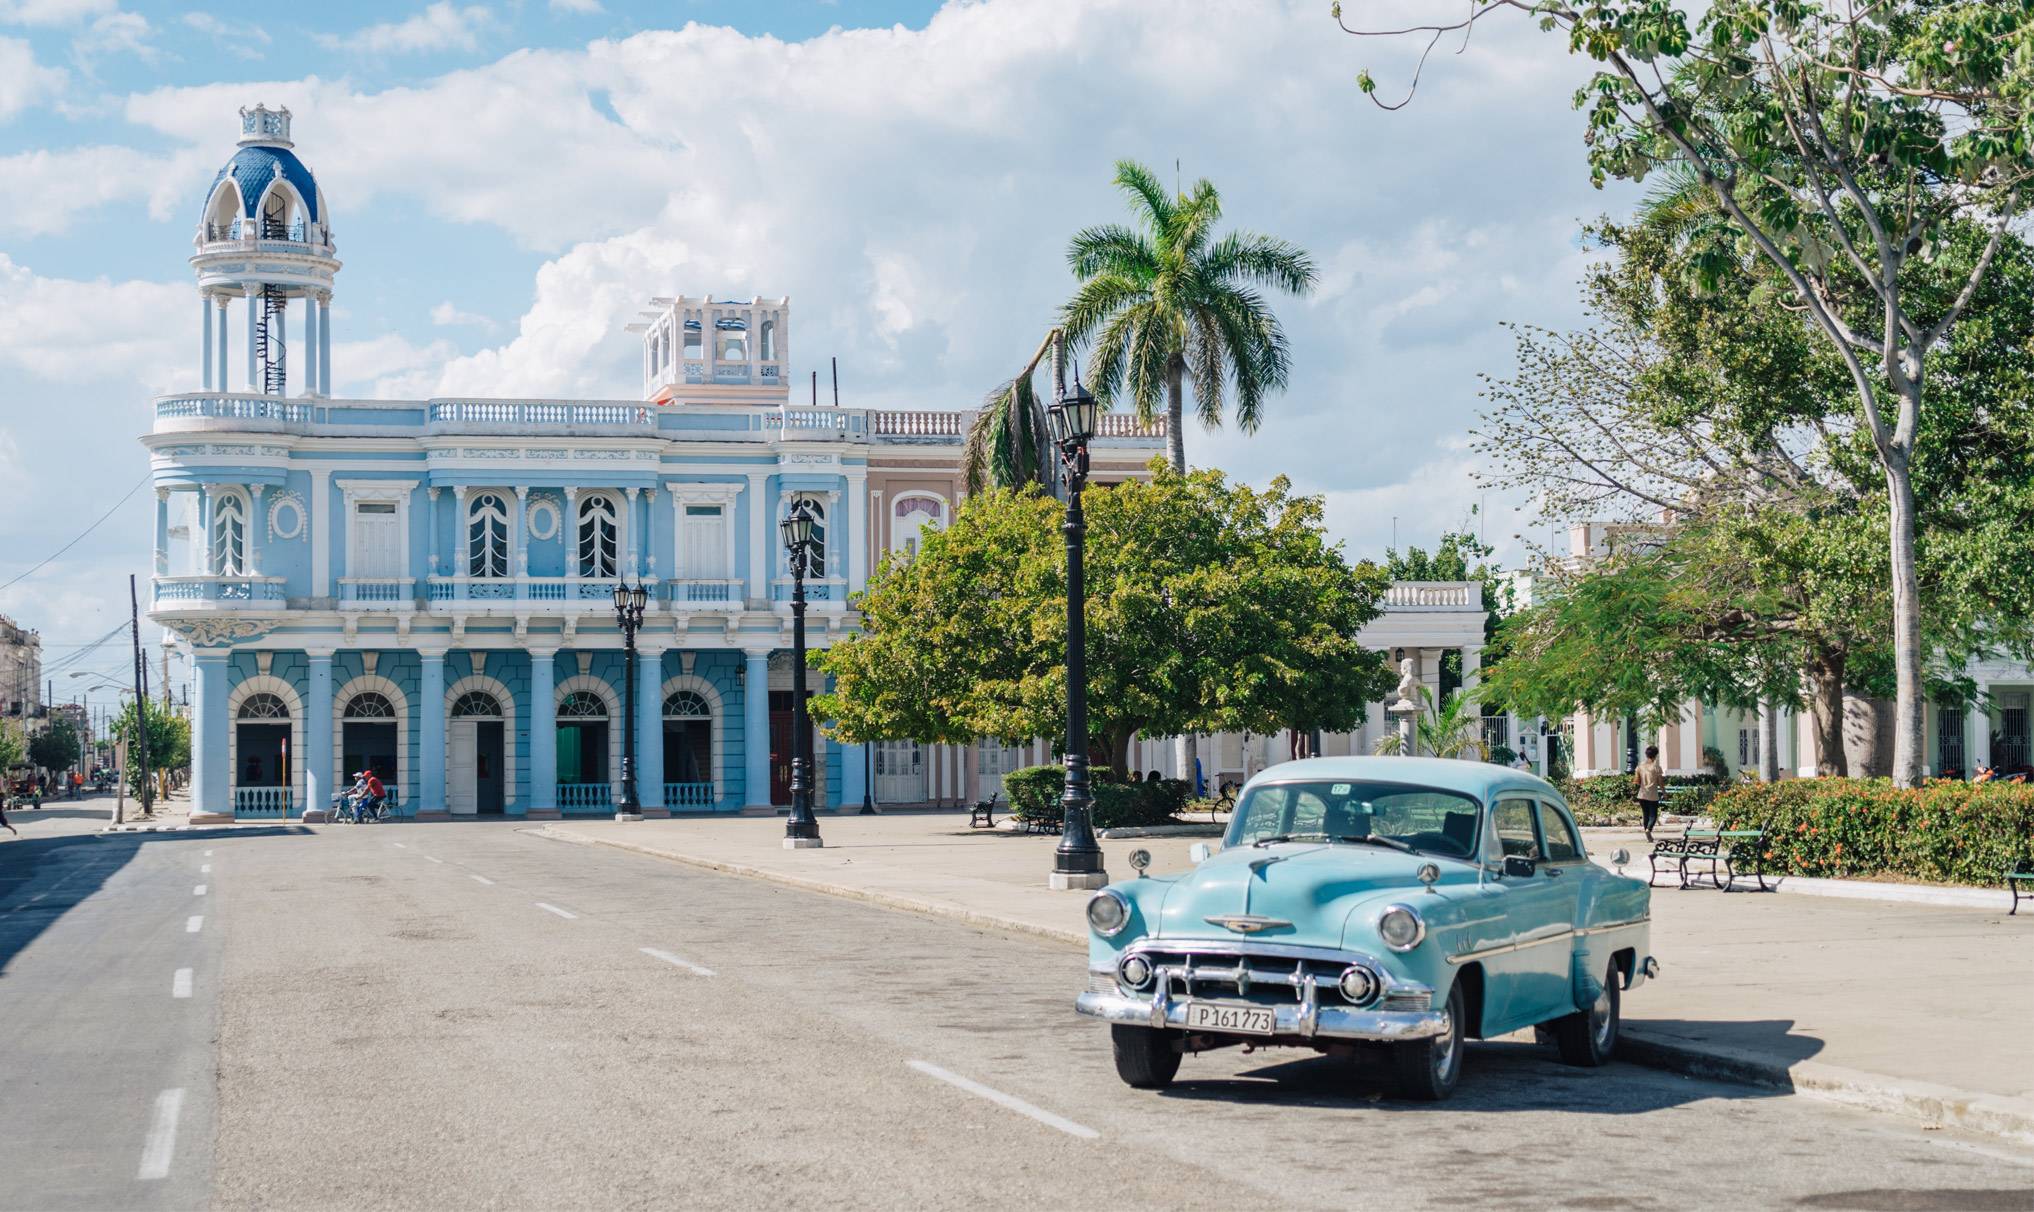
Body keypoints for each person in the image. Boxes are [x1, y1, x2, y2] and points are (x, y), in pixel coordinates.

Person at [1635, 745, 1667, 842]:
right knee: (1653, 815)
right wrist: (1664, 792)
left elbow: (1637, 780)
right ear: (1655, 755)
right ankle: (1649, 829)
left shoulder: (1640, 766)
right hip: (1652, 795)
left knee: (1646, 814)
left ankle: (1647, 832)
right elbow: (1660, 782)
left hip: (1642, 794)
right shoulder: (1656, 767)